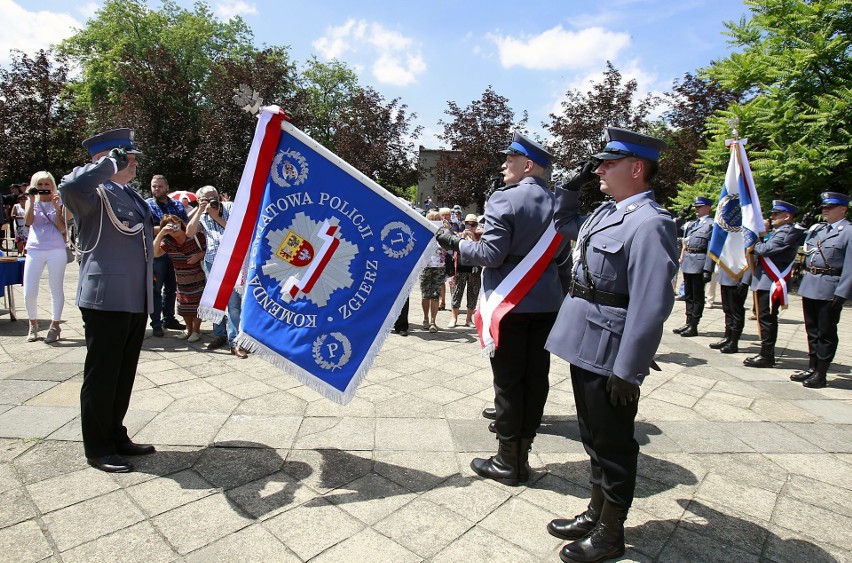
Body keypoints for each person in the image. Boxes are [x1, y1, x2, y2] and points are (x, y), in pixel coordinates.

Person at [545, 127, 677, 562]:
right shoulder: (607, 213)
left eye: (609, 163)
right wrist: (570, 186)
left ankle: (611, 532)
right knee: (591, 436)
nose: (599, 169)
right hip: (583, 339)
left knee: (615, 444)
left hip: (611, 350)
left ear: (637, 169)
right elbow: (563, 223)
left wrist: (629, 369)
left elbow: (651, 303)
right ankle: (596, 511)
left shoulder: (651, 223)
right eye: (598, 163)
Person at [436, 132, 568, 487]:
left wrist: (456, 243)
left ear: (527, 166)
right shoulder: (559, 202)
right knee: (535, 377)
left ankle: (509, 461)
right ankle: (523, 449)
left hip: (510, 305)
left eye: (509, 160)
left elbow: (491, 255)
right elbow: (561, 258)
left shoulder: (504, 200)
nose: (503, 165)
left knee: (509, 383)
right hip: (547, 304)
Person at [59, 128, 156, 473]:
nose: (133, 163)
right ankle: (98, 448)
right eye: (127, 157)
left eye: (132, 157)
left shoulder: (128, 194)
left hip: (134, 297)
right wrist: (107, 165)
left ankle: (116, 435)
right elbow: (68, 187)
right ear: (106, 158)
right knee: (102, 375)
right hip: (106, 297)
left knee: (122, 374)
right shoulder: (92, 192)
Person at [792, 192, 850, 388]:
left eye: (830, 207)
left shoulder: (848, 231)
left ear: (843, 209)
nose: (825, 210)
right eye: (824, 207)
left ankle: (821, 373)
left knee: (825, 332)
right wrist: (800, 225)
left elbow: (850, 266)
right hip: (810, 284)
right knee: (812, 330)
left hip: (830, 287)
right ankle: (812, 367)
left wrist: (842, 292)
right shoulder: (818, 229)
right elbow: (792, 240)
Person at [743, 200, 806, 368]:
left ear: (787, 216)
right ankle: (765, 352)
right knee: (764, 318)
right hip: (765, 280)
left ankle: (767, 355)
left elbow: (764, 250)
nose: (772, 216)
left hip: (772, 281)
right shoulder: (778, 231)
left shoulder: (787, 232)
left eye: (776, 214)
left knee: (767, 319)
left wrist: (752, 240)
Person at [186, 185, 247, 357]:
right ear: (199, 201)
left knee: (234, 303)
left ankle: (236, 341)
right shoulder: (201, 213)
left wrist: (215, 216)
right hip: (213, 262)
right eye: (207, 198)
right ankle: (219, 335)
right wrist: (200, 211)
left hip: (233, 260)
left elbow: (238, 232)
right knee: (215, 301)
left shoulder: (230, 207)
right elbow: (189, 233)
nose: (213, 201)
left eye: (214, 197)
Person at [22, 172, 68, 343]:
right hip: (34, 248)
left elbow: (63, 227)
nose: (43, 188)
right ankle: (32, 324)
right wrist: (31, 202)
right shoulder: (31, 202)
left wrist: (57, 207)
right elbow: (28, 222)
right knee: (29, 291)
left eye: (46, 184)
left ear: (52, 186)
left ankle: (55, 325)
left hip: (56, 248)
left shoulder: (60, 201)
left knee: (55, 288)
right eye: (39, 185)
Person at [145, 175, 189, 337]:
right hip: (158, 252)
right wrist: (165, 228)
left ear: (167, 187)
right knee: (155, 288)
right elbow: (146, 228)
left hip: (176, 252)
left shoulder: (177, 204)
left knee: (171, 288)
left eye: (160, 186)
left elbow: (185, 225)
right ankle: (156, 323)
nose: (156, 189)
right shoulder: (147, 205)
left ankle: (169, 318)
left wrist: (177, 228)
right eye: (154, 186)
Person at [153, 214, 206, 342]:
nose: (174, 228)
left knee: (198, 305)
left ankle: (196, 331)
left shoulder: (195, 236)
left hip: (198, 277)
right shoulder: (168, 242)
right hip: (181, 279)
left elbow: (211, 249)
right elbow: (155, 253)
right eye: (169, 226)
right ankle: (189, 330)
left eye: (175, 223)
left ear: (180, 223)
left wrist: (200, 255)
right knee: (184, 306)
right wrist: (161, 233)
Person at [673, 196, 713, 337]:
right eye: (696, 207)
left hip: (700, 262)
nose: (696, 209)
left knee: (697, 295)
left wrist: (708, 268)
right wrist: (680, 217)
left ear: (708, 207)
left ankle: (694, 324)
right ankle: (688, 321)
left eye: (699, 207)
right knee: (688, 294)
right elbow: (676, 229)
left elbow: (710, 248)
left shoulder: (711, 224)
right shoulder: (692, 223)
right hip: (689, 261)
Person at [705, 264, 751, 354]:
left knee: (736, 311)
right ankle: (727, 337)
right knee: (727, 309)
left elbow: (751, 259)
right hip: (726, 274)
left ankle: (734, 341)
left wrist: (746, 281)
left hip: (739, 276)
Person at [447, 214, 482, 328]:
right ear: (464, 224)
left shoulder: (480, 237)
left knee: (473, 293)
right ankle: (454, 318)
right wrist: (464, 237)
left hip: (474, 270)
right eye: (468, 224)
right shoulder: (459, 235)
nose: (471, 227)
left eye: (473, 224)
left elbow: (480, 250)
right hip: (460, 269)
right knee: (457, 293)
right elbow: (454, 244)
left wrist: (473, 238)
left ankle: (468, 319)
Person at [422, 210, 445, 333]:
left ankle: (433, 321)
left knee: (435, 295)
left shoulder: (444, 231)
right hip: (425, 266)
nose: (435, 221)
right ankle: (425, 318)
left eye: (437, 219)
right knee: (425, 295)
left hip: (439, 266)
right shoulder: (423, 230)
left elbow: (449, 245)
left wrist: (445, 230)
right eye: (433, 219)